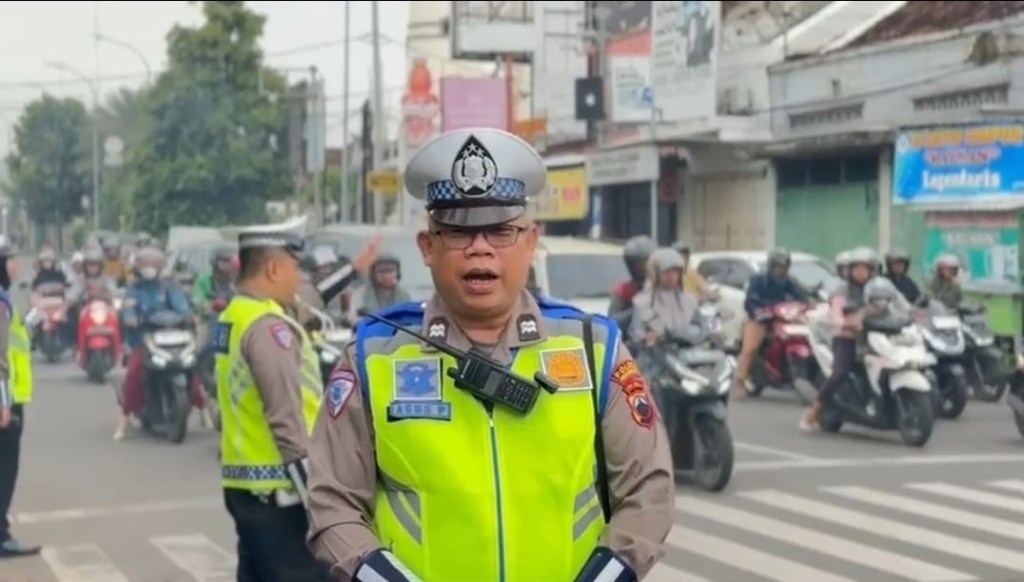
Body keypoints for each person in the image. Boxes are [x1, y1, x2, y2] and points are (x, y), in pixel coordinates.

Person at [307, 128, 674, 582]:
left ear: (530, 241)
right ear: (428, 247)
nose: (480, 247)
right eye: (459, 231)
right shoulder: (371, 357)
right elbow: (332, 502)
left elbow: (648, 489)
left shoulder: (593, 350)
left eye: (501, 230)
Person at [214, 229, 331, 581]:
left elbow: (314, 296)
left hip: (245, 485)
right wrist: (318, 499)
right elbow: (287, 420)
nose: (299, 279)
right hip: (281, 493)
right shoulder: (268, 328)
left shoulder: (235, 315)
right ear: (273, 270)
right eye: (295, 268)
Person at [114, 248, 211, 440]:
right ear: (138, 268)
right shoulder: (133, 291)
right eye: (145, 265)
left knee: (191, 369)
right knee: (134, 373)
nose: (149, 269)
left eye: (154, 265)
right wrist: (130, 319)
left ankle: (205, 412)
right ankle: (123, 421)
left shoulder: (169, 288)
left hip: (172, 337)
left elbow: (182, 307)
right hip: (143, 339)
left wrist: (191, 317)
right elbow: (128, 312)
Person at [800, 247, 879, 430]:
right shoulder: (842, 291)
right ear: (850, 271)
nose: (860, 272)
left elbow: (896, 303)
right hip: (847, 337)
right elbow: (836, 312)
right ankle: (815, 410)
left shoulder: (877, 288)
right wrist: (842, 322)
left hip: (873, 338)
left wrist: (913, 313)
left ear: (872, 270)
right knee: (840, 373)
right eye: (856, 268)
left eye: (864, 268)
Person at [0, 244, 40, 559]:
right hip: (6, 400)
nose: (16, 266)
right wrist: (3, 402)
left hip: (10, 395)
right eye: (11, 261)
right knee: (5, 467)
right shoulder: (1, 302)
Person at [734, 249, 810, 395]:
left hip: (782, 318)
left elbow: (802, 297)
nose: (781, 270)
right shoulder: (758, 279)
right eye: (778, 267)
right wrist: (760, 310)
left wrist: (808, 305)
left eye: (784, 267)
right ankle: (740, 381)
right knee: (750, 349)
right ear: (771, 266)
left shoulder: (790, 280)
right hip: (761, 319)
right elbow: (750, 301)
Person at [630, 247, 698, 342]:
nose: (671, 276)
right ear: (654, 272)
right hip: (657, 352)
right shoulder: (642, 302)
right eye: (666, 271)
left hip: (687, 350)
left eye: (675, 271)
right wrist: (647, 337)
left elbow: (699, 326)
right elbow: (636, 334)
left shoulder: (689, 300)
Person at [607, 235, 657, 337]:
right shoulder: (624, 289)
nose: (638, 268)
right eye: (634, 264)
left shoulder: (665, 287)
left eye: (643, 263)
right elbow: (611, 322)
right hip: (633, 343)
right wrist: (635, 310)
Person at [348, 253, 412, 323]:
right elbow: (354, 318)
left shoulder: (405, 295)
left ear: (397, 273)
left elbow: (410, 319)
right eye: (382, 272)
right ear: (373, 274)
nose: (387, 276)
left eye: (390, 271)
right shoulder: (362, 293)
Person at [193, 246, 238, 317]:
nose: (227, 264)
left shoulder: (237, 280)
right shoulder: (204, 280)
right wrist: (212, 304)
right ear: (215, 262)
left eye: (229, 261)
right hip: (211, 319)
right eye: (224, 261)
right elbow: (197, 301)